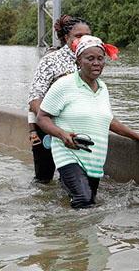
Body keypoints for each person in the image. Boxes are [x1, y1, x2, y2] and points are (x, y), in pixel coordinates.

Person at [37, 35, 139, 208]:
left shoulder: (103, 88)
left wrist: (135, 135)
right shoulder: (64, 85)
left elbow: (108, 119)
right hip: (68, 153)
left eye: (100, 58)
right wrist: (62, 135)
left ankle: (66, 232)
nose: (96, 63)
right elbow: (42, 117)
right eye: (90, 58)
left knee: (88, 203)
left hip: (94, 158)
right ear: (79, 61)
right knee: (83, 200)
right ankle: (66, 233)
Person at [27, 15, 91, 183]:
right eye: (78, 36)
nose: (83, 39)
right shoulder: (51, 60)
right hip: (49, 128)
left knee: (75, 179)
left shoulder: (92, 59)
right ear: (65, 37)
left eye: (87, 35)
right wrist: (53, 126)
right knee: (44, 179)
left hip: (78, 129)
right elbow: (35, 97)